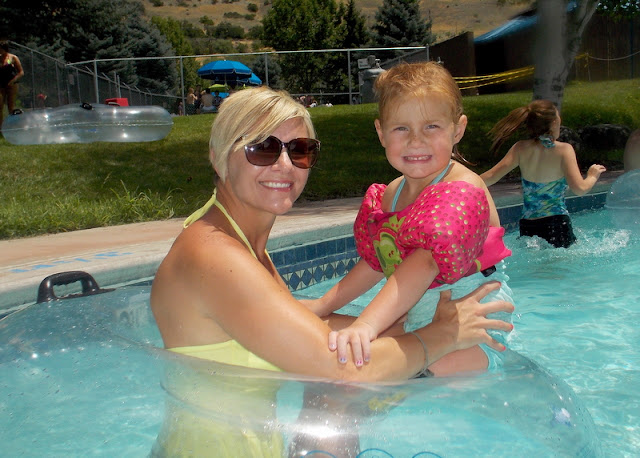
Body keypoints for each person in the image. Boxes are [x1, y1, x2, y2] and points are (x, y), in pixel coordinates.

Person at [150, 86, 514, 455]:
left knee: (332, 398)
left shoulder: (241, 244)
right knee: (339, 390)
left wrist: (395, 327)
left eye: (300, 150)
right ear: (218, 158)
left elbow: (314, 341)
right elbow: (343, 369)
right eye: (262, 148)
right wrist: (445, 334)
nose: (284, 164)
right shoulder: (215, 256)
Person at [303, 62, 513, 373]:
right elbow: (378, 261)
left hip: (471, 331)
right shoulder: (391, 194)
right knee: (316, 332)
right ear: (381, 133)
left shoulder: (463, 188)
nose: (416, 140)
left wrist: (366, 325)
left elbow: (426, 262)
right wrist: (321, 305)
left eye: (432, 126)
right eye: (401, 128)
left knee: (416, 371)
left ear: (457, 129)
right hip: (420, 323)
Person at [481, 99, 606, 248]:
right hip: (556, 223)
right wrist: (592, 176)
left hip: (528, 225)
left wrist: (461, 183)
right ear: (554, 122)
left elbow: (490, 177)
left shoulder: (520, 148)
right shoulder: (564, 150)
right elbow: (580, 189)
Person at [0, 40, 24, 128]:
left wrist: (13, 80)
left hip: (12, 84)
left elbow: (21, 72)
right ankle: (1, 127)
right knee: (0, 106)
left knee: (11, 106)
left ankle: (13, 126)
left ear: (4, 49)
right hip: (1, 85)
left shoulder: (13, 58)